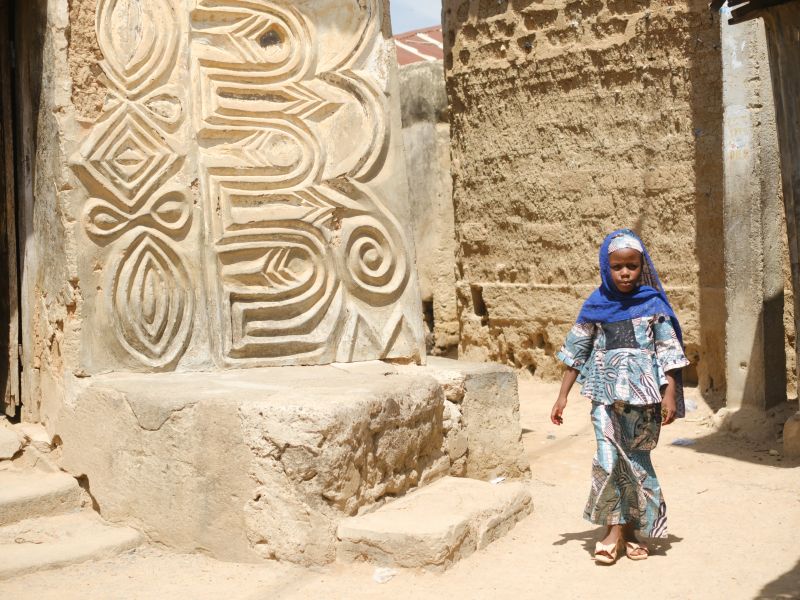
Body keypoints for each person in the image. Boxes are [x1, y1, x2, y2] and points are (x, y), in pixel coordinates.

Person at [550, 229, 689, 565]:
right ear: (606, 267)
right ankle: (613, 530)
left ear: (642, 267)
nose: (625, 273)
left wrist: (670, 394)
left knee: (637, 462)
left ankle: (634, 530)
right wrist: (562, 396)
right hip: (604, 399)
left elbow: (668, 352)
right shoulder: (595, 306)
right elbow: (577, 353)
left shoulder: (652, 305)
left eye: (632, 266)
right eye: (617, 267)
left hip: (646, 401)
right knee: (608, 461)